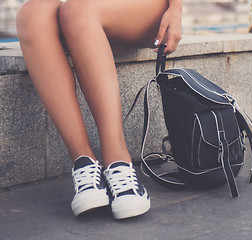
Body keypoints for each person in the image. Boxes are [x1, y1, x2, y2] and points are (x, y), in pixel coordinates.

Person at [16, 0, 182, 219]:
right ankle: (84, 164)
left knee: (78, 10)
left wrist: (176, 9)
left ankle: (118, 161)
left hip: (141, 8)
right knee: (32, 14)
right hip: (76, 11)